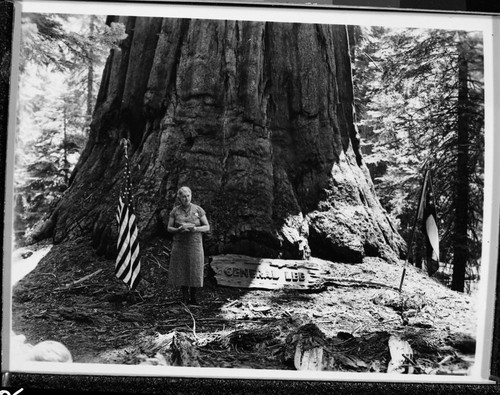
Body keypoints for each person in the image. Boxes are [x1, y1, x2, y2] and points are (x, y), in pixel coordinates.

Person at [167, 186, 210, 305]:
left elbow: (207, 226)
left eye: (188, 196)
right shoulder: (175, 211)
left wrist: (195, 228)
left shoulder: (198, 209)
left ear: (191, 196)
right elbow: (169, 228)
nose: (186, 199)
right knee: (182, 268)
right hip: (180, 244)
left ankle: (194, 296)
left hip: (195, 244)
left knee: (195, 268)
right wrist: (178, 229)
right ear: (179, 198)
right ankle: (184, 297)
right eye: (183, 197)